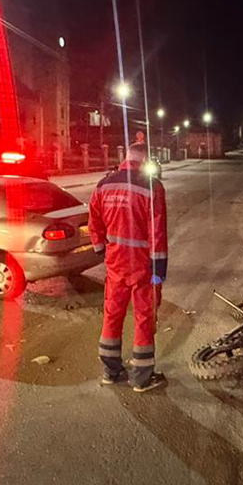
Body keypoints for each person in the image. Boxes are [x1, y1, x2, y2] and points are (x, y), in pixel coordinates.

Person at [88, 142, 169, 392]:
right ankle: (141, 378)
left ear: (126, 157)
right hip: (142, 264)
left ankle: (111, 371)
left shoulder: (104, 184)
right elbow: (157, 231)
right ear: (144, 161)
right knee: (144, 317)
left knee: (112, 314)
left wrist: (102, 250)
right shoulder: (152, 187)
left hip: (115, 262)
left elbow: (94, 221)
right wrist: (159, 270)